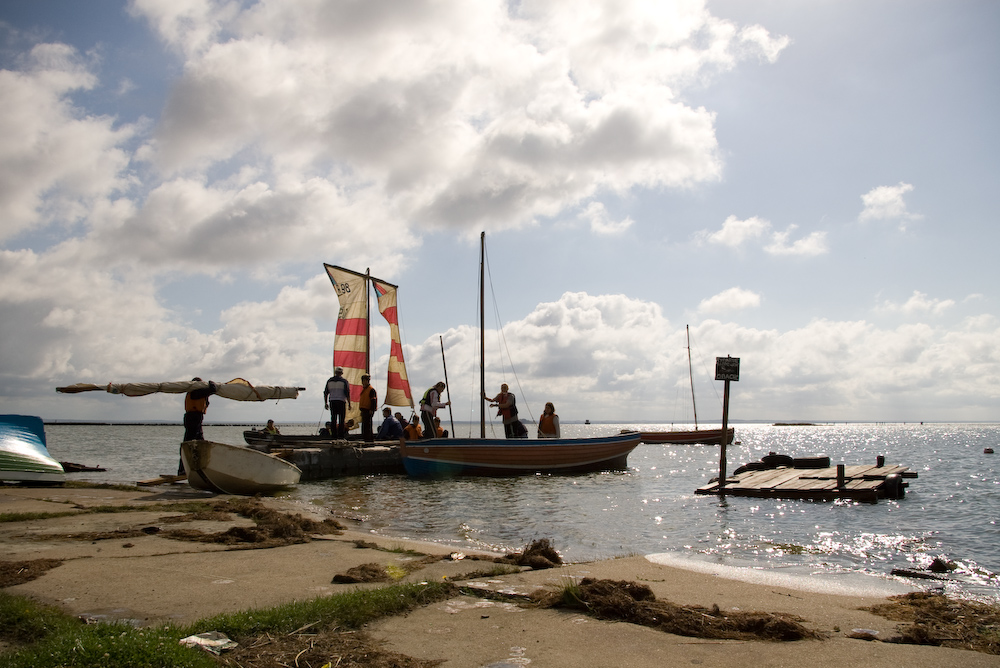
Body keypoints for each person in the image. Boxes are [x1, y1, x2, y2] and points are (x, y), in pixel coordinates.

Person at [179, 377, 217, 474]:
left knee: (200, 442)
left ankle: (199, 467)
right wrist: (210, 384)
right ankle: (183, 469)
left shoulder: (198, 393)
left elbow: (208, 394)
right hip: (193, 417)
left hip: (196, 417)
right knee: (188, 442)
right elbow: (212, 389)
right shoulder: (194, 392)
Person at [323, 367, 351, 438]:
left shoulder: (329, 381)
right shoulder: (344, 381)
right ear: (341, 373)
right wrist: (349, 404)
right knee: (341, 419)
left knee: (333, 419)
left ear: (335, 372)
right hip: (341, 401)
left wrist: (326, 403)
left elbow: (326, 393)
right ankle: (341, 436)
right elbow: (347, 393)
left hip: (332, 401)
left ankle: (334, 435)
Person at [358, 374, 377, 443]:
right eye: (362, 380)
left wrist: (372, 409)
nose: (363, 382)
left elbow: (373, 400)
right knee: (364, 426)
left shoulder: (371, 390)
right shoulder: (364, 390)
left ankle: (369, 440)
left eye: (364, 380)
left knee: (367, 426)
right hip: (364, 409)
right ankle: (366, 439)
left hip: (368, 410)